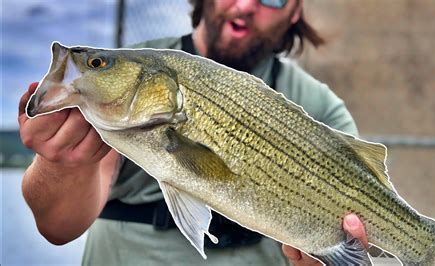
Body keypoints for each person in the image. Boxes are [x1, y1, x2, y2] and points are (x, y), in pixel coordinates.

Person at [18, 0, 368, 265]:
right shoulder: (135, 67)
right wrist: (60, 165)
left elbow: (360, 213)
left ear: (295, 12)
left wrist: (338, 256)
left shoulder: (319, 106)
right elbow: (59, 228)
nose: (245, 5)